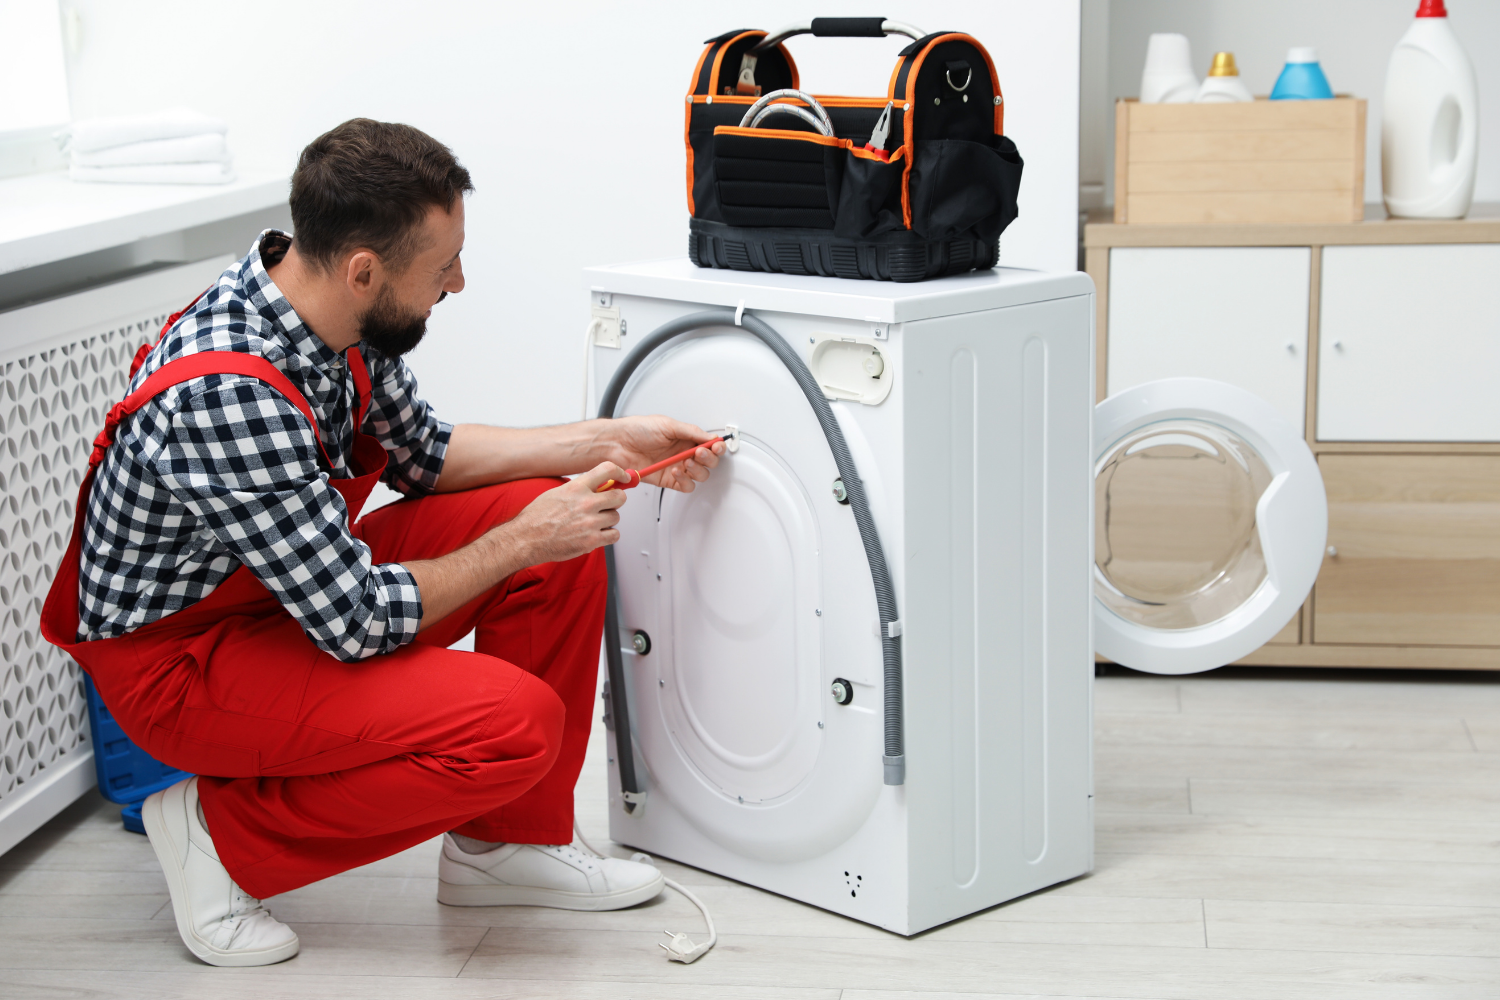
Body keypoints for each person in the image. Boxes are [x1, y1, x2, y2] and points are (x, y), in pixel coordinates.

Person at [41, 118, 725, 968]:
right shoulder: (231, 389)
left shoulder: (331, 312)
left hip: (283, 596)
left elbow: (425, 456)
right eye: (443, 269)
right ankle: (216, 835)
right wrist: (520, 541)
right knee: (513, 722)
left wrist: (603, 444)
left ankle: (504, 846)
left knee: (561, 516)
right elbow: (359, 620)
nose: (460, 282)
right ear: (365, 269)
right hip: (183, 667)